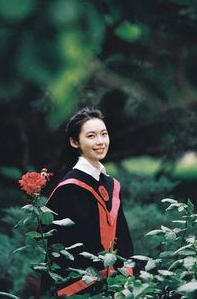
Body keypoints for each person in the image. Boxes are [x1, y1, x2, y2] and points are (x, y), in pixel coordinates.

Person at [41, 106, 134, 297]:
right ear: (75, 142)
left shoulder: (111, 184)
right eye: (91, 136)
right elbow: (63, 247)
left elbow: (123, 238)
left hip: (114, 284)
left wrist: (126, 276)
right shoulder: (70, 188)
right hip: (82, 288)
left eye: (104, 134)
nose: (100, 142)